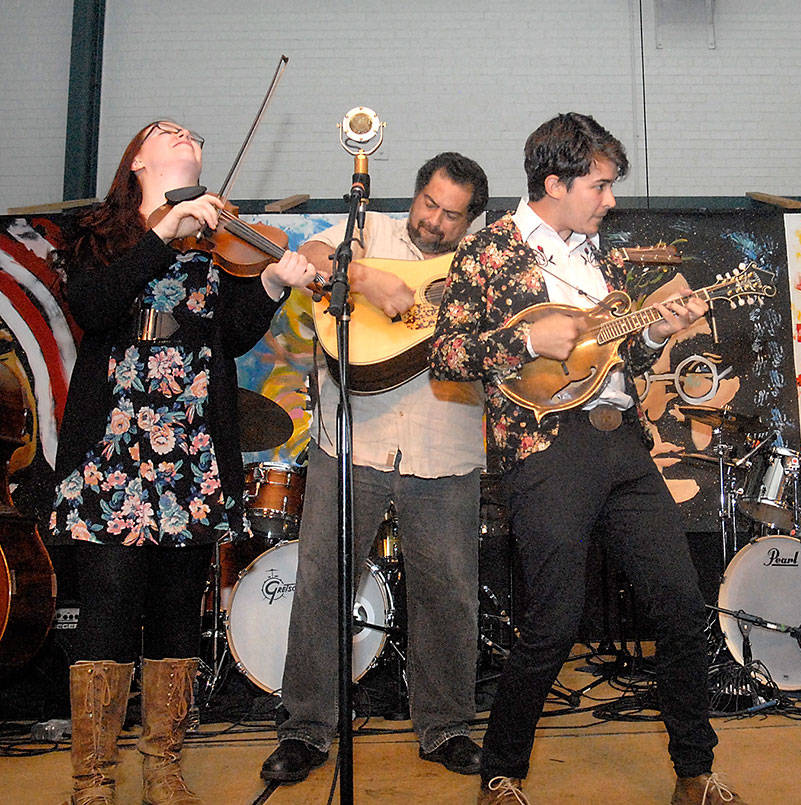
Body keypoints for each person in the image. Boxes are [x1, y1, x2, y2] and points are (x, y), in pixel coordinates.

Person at [428, 112, 744, 805]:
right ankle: (502, 774)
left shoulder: (597, 257)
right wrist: (524, 340)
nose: (609, 199)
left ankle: (695, 773)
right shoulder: (491, 252)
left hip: (621, 442)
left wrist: (653, 328)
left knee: (681, 606)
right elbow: (445, 355)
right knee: (553, 620)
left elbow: (605, 354)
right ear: (554, 181)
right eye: (599, 186)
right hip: (546, 450)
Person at [48, 119, 316, 805]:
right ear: (138, 158)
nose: (188, 136)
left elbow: (226, 336)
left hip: (193, 451)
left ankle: (163, 767)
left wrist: (275, 284)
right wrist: (162, 232)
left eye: (195, 134)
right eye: (169, 132)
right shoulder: (96, 235)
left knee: (176, 613)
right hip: (113, 450)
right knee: (108, 608)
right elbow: (94, 307)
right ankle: (93, 779)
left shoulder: (213, 245)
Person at [259, 152, 491, 782]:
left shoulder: (485, 265)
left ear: (471, 221)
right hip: (350, 441)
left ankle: (446, 727)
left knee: (447, 592)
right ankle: (306, 729)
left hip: (446, 447)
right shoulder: (367, 231)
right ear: (414, 195)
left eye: (451, 216)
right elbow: (311, 262)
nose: (434, 222)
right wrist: (366, 279)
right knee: (321, 584)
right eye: (428, 205)